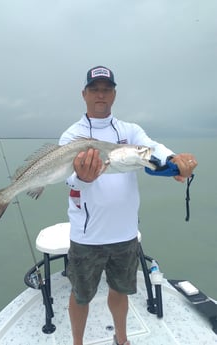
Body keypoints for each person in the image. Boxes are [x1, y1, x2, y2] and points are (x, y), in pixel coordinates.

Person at [59, 66, 197, 345]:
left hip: (124, 234)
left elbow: (151, 148)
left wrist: (174, 159)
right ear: (84, 94)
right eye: (95, 89)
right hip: (87, 235)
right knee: (80, 295)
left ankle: (121, 340)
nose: (101, 94)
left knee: (119, 292)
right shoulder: (71, 137)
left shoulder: (129, 131)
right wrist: (83, 179)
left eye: (106, 89)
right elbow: (71, 183)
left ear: (114, 94)